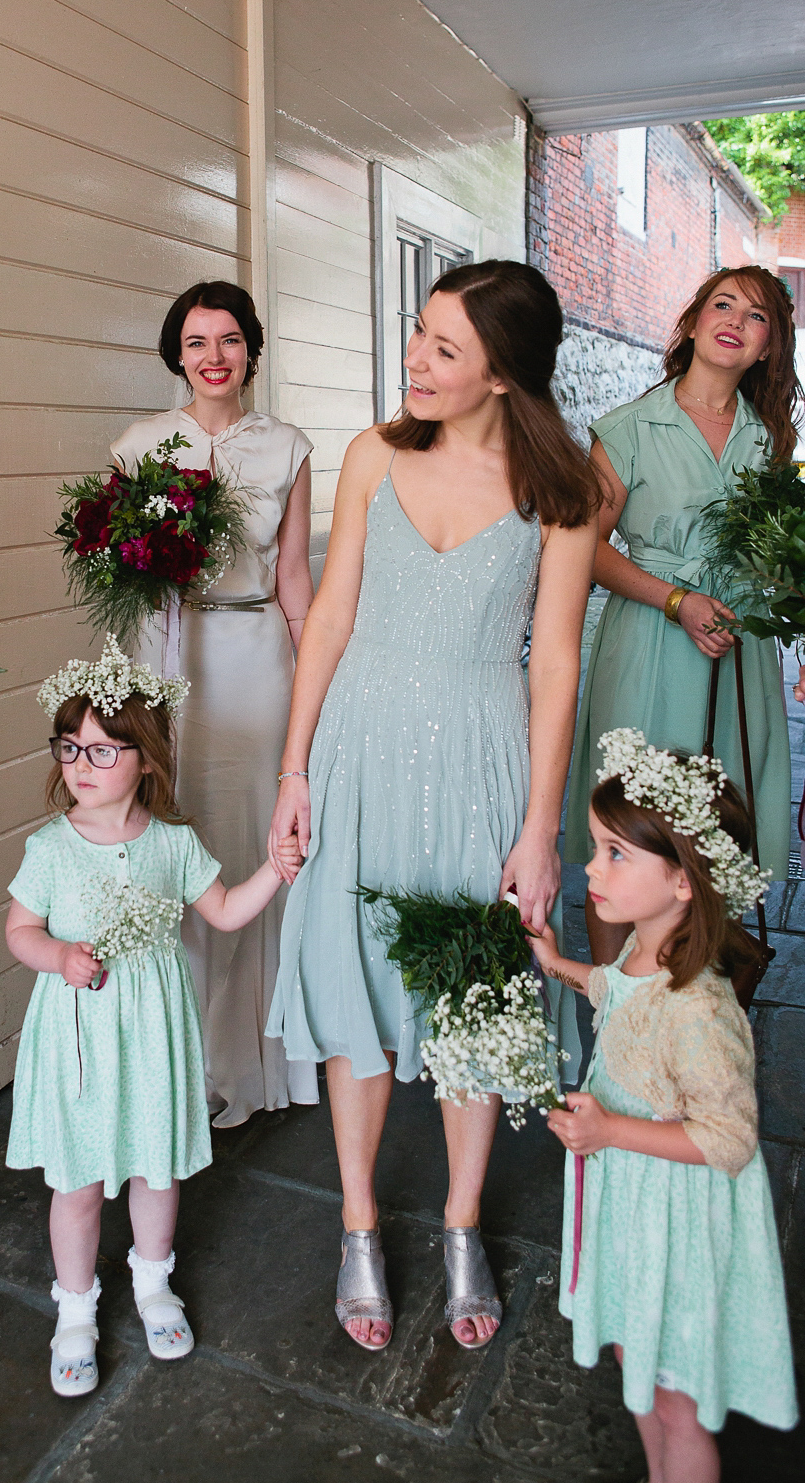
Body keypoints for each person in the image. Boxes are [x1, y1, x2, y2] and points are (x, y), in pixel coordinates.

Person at [267, 260, 599, 1353]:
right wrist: (296, 769)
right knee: (353, 981)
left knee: (477, 1002)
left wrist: (541, 831)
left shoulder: (566, 489)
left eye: (446, 348)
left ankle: (462, 1226)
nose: (416, 359)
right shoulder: (373, 454)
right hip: (359, 750)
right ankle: (359, 1223)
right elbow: (327, 623)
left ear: (504, 374)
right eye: (418, 335)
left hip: (483, 757)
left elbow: (554, 664)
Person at [4, 636, 298, 1397]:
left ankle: (153, 1280)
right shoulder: (50, 848)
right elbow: (18, 931)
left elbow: (227, 912)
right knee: (75, 1180)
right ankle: (74, 1311)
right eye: (71, 748)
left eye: (103, 751)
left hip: (152, 1034)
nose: (81, 765)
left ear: (145, 758)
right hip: (80, 1033)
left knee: (154, 1162)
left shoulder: (173, 844)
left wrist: (277, 868)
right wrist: (58, 955)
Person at [531, 730, 798, 1481]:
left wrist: (610, 1128)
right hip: (636, 1203)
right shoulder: (645, 945)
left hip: (676, 1216)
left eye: (616, 853)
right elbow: (620, 989)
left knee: (675, 1397)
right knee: (638, 1365)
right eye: (594, 846)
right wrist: (557, 964)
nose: (592, 867)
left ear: (686, 880)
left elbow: (730, 1137)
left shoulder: (701, 1011)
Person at [111, 280, 315, 1128]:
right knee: (168, 847)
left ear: (252, 351)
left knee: (246, 845)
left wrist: (316, 686)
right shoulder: (137, 447)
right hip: (167, 660)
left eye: (229, 340)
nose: (214, 358)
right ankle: (171, 1062)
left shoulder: (288, 448)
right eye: (197, 342)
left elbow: (297, 578)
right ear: (176, 355)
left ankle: (250, 1064)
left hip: (257, 659)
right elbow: (120, 574)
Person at [566, 266, 800, 963]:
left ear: (767, 348)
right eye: (722, 304)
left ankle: (695, 1010)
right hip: (650, 642)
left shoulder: (771, 442)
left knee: (719, 828)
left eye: (756, 316)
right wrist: (676, 600)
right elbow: (585, 552)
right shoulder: (630, 428)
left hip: (739, 654)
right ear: (694, 322)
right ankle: (617, 1015)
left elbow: (782, 554)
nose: (735, 320)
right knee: (627, 827)